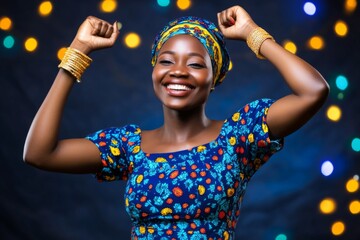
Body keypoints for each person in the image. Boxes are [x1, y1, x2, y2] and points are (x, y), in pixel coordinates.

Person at [23, 5, 329, 240]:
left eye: (196, 64)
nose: (178, 71)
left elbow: (312, 91)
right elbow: (39, 153)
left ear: (215, 79)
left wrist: (253, 34)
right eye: (166, 61)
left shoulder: (238, 136)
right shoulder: (127, 146)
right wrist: (77, 52)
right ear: (154, 71)